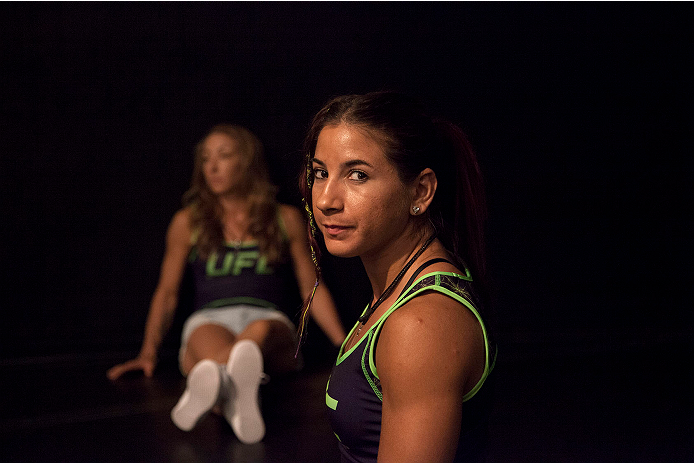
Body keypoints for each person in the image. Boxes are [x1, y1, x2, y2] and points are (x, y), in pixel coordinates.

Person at [107, 124, 346, 444]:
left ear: (246, 161)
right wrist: (148, 352)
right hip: (211, 319)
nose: (212, 166)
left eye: (224, 156)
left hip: (269, 322)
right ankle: (237, 397)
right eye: (205, 159)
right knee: (205, 341)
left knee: (255, 335)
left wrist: (345, 345)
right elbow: (166, 293)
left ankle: (211, 389)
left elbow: (311, 289)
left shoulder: (285, 217)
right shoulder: (187, 220)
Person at [296, 91, 496, 463]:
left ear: (420, 191)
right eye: (321, 172)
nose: (325, 199)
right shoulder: (399, 287)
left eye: (357, 175)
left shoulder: (420, 326)